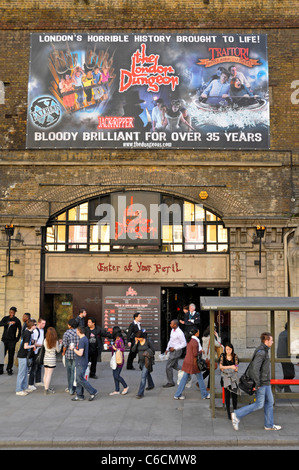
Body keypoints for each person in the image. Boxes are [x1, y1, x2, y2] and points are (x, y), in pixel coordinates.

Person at [231, 332, 282, 431]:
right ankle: (237, 414)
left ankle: (269, 425)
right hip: (262, 383)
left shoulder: (264, 350)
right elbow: (255, 369)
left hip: (266, 382)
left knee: (270, 402)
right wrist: (258, 384)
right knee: (259, 404)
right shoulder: (261, 352)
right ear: (266, 341)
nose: (272, 342)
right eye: (271, 340)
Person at [174, 327, 210, 400]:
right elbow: (195, 354)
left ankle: (177, 394)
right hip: (193, 363)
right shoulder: (195, 342)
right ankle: (204, 394)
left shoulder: (190, 340)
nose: (199, 333)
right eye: (198, 331)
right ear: (196, 333)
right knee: (200, 378)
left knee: (184, 379)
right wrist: (200, 351)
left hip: (187, 362)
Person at [71, 326, 98, 401]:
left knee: (80, 379)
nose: (76, 332)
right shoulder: (85, 339)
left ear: (79, 331)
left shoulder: (82, 340)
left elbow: (80, 353)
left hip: (81, 362)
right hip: (82, 362)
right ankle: (79, 395)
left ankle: (93, 391)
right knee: (78, 379)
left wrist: (73, 349)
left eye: (77, 331)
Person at [163, 319, 187, 388]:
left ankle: (170, 382)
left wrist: (175, 348)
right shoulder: (172, 330)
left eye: (171, 324)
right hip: (172, 350)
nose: (170, 325)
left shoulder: (180, 333)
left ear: (175, 325)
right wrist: (167, 348)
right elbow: (170, 340)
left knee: (168, 366)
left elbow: (184, 344)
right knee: (174, 365)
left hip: (176, 351)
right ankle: (185, 373)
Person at [131, 330, 155, 399]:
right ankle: (151, 384)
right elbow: (133, 350)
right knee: (146, 373)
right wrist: (135, 343)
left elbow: (153, 351)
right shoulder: (137, 342)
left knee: (143, 376)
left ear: (142, 337)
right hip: (141, 361)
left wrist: (147, 352)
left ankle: (140, 393)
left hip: (147, 361)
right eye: (137, 338)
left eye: (139, 338)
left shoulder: (148, 341)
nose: (138, 339)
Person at [15, 320, 36, 396]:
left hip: (24, 355)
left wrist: (32, 342)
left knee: (25, 371)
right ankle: (19, 389)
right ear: (32, 325)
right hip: (22, 355)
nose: (36, 326)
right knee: (22, 373)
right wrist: (33, 346)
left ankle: (24, 387)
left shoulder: (28, 332)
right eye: (35, 324)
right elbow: (25, 346)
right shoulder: (27, 333)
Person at [219, 343, 240, 420]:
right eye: (227, 349)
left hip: (233, 378)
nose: (228, 351)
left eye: (230, 349)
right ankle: (228, 412)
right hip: (225, 378)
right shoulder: (222, 356)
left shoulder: (235, 356)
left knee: (235, 395)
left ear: (232, 349)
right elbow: (221, 367)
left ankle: (235, 411)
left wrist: (226, 368)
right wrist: (231, 366)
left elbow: (236, 368)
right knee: (227, 395)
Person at [0, 306, 22, 375]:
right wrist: (7, 323)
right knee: (1, 354)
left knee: (11, 355)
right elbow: (0, 324)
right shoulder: (5, 318)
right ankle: (0, 369)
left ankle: (9, 369)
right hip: (4, 339)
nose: (11, 313)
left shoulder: (17, 320)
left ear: (15, 313)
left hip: (12, 340)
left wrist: (17, 339)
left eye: (12, 312)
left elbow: (20, 330)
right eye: (10, 312)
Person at [108, 326, 128, 396]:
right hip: (115, 359)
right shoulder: (116, 339)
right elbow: (114, 347)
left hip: (119, 359)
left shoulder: (120, 340)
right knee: (114, 375)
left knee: (116, 375)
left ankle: (125, 386)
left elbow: (122, 348)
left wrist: (116, 348)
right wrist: (109, 347)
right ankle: (117, 389)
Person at [62, 318, 79, 395]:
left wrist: (63, 352)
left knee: (69, 372)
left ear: (69, 325)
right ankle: (75, 388)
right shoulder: (78, 332)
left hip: (68, 355)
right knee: (75, 372)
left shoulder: (66, 333)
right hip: (77, 354)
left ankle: (70, 388)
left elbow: (65, 345)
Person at [201, 325, 222, 389]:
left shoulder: (204, 337)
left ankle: (200, 382)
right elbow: (218, 344)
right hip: (210, 357)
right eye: (214, 330)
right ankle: (209, 386)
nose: (215, 331)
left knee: (209, 370)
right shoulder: (211, 338)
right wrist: (217, 337)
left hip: (204, 356)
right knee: (211, 370)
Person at [28, 317, 46, 390]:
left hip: (40, 351)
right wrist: (42, 345)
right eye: (42, 323)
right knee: (34, 367)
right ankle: (30, 383)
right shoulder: (36, 331)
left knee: (39, 366)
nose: (44, 325)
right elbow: (34, 343)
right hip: (36, 351)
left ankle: (38, 380)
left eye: (44, 323)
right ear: (39, 323)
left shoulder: (42, 330)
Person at [43, 327, 62, 395]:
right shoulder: (55, 342)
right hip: (52, 359)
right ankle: (46, 390)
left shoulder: (45, 340)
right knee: (49, 375)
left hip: (45, 358)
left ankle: (46, 387)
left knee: (45, 374)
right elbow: (58, 350)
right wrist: (61, 344)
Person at [277, 323, 295, 392]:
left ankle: (287, 389)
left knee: (286, 374)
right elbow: (291, 348)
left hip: (281, 356)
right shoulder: (289, 334)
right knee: (291, 374)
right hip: (287, 357)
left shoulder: (282, 333)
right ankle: (279, 385)